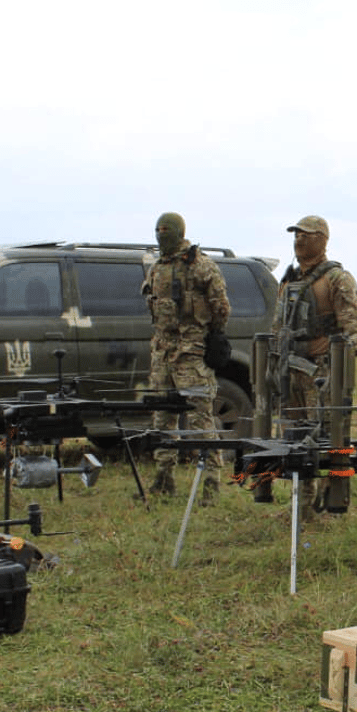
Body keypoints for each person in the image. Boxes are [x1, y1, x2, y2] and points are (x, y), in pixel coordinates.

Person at [271, 215, 357, 520]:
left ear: (322, 240)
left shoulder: (337, 279)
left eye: (306, 235)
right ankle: (301, 504)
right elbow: (278, 325)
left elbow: (354, 331)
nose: (299, 239)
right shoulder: (288, 280)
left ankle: (332, 504)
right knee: (294, 439)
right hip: (290, 373)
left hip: (321, 374)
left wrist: (338, 375)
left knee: (327, 439)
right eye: (296, 235)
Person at [141, 211, 231, 500]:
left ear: (179, 232)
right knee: (161, 419)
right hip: (163, 353)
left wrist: (209, 336)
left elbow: (221, 307)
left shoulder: (200, 266)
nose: (160, 234)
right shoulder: (156, 268)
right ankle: (164, 479)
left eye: (166, 230)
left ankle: (211, 485)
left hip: (191, 354)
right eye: (157, 229)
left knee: (200, 420)